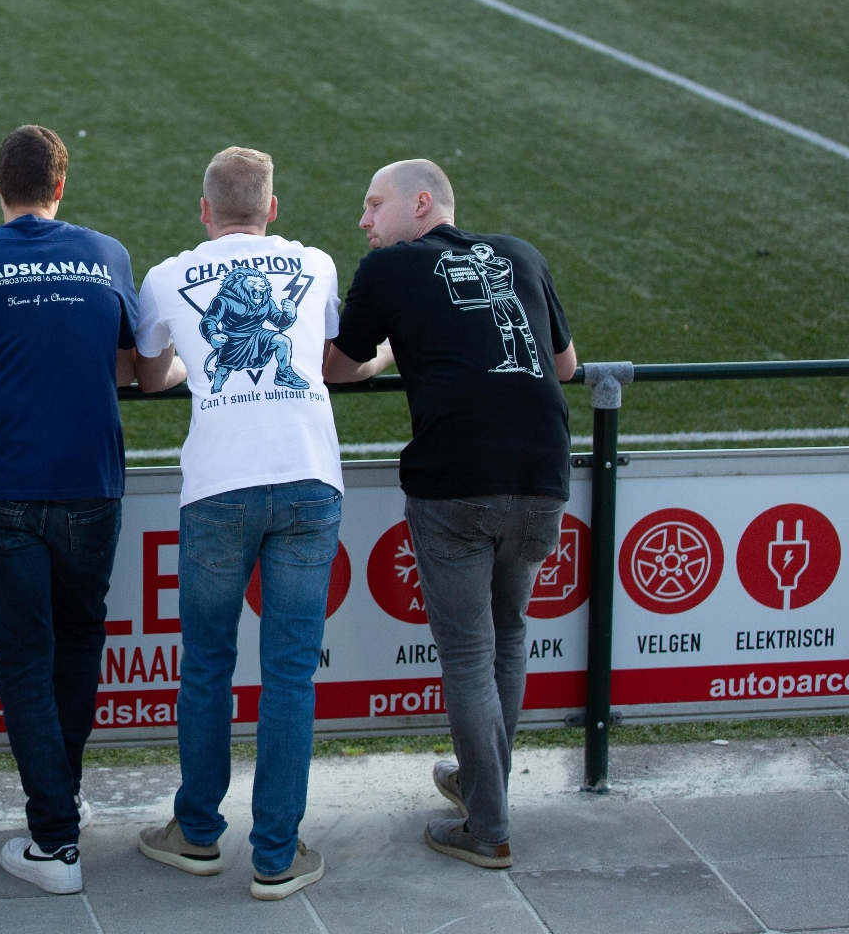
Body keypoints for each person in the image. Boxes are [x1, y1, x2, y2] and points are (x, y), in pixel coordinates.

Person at [326, 159, 577, 871]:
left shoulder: (391, 270)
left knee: (469, 651)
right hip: (542, 475)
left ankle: (489, 827)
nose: (365, 221)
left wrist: (383, 360)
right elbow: (564, 366)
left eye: (375, 206)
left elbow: (336, 367)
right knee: (510, 637)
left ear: (422, 203)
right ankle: (478, 785)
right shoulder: (521, 255)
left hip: (456, 481)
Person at [0, 125, 139, 895]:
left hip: (7, 482)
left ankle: (55, 835)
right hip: (91, 479)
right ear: (61, 186)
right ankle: (59, 809)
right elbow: (131, 362)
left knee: (25, 657)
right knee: (77, 643)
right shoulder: (108, 254)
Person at [131, 147, 345, 901]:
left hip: (219, 486)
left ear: (204, 211)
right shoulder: (316, 263)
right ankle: (277, 854)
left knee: (206, 665)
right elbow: (324, 354)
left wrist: (194, 366)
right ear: (272, 209)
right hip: (308, 478)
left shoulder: (164, 276)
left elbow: (149, 372)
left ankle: (196, 832)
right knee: (289, 671)